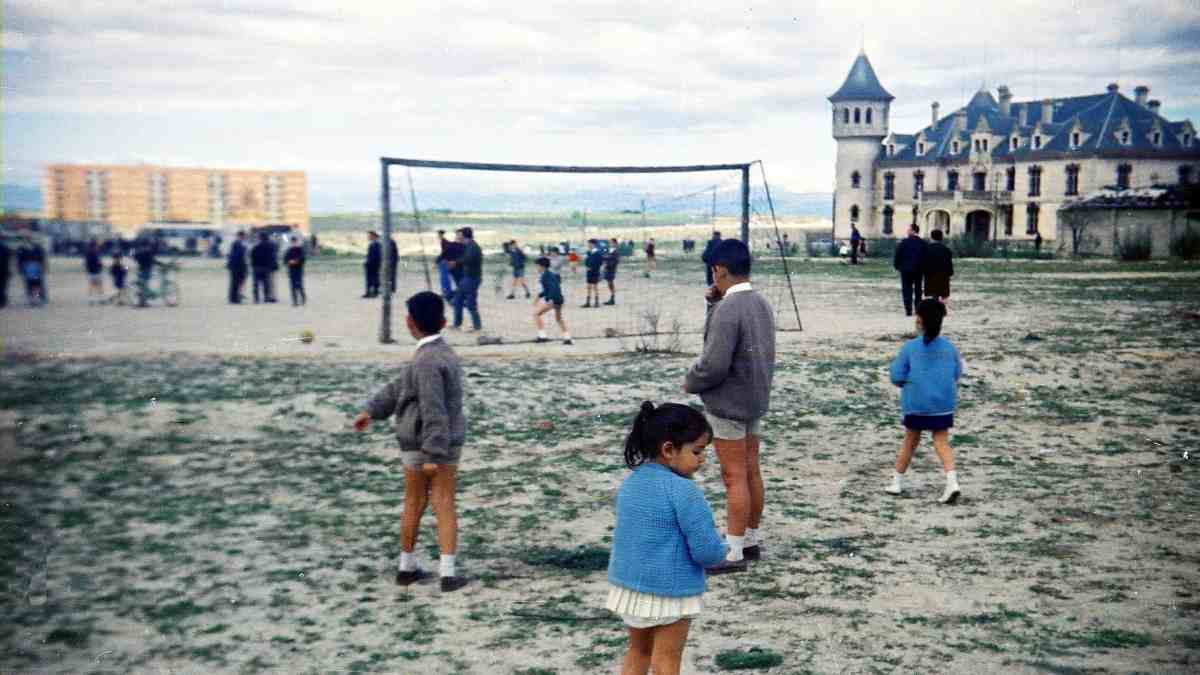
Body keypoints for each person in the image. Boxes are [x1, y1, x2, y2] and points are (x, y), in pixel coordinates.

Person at [355, 291, 469, 592]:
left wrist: (371, 409)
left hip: (418, 443)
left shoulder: (422, 359)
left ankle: (406, 567)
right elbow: (434, 408)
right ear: (444, 322)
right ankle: (447, 574)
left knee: (413, 503)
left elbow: (400, 388)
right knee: (443, 504)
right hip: (437, 445)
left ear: (409, 323)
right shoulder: (440, 356)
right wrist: (434, 452)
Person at [606, 402, 726, 675]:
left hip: (630, 587)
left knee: (638, 652)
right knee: (666, 662)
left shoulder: (632, 483)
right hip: (670, 591)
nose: (702, 459)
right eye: (697, 451)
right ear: (669, 449)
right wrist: (724, 550)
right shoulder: (684, 492)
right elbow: (706, 552)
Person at [683, 238, 776, 573]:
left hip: (728, 405)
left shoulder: (728, 309)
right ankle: (748, 538)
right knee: (751, 471)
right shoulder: (761, 303)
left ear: (719, 269)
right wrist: (713, 304)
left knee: (732, 475)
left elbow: (713, 363)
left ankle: (733, 550)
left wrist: (691, 382)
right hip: (754, 400)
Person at [887, 298, 963, 504]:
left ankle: (896, 481)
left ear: (919, 320)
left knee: (910, 441)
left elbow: (896, 376)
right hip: (943, 404)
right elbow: (957, 373)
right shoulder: (950, 348)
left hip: (916, 403)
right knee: (941, 441)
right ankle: (952, 481)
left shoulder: (910, 348)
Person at [533, 256, 572, 345]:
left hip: (554, 299)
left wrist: (550, 299)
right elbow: (549, 289)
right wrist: (539, 296)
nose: (536, 268)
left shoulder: (546, 275)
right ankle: (567, 338)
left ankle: (542, 336)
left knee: (536, 314)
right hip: (559, 298)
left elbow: (552, 288)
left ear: (542, 266)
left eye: (537, 266)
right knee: (558, 318)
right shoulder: (550, 274)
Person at [449, 227, 482, 332]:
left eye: (459, 234)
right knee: (458, 300)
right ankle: (457, 324)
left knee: (470, 303)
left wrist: (455, 262)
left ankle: (477, 326)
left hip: (472, 278)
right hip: (466, 278)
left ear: (464, 235)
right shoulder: (467, 246)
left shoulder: (473, 247)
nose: (457, 236)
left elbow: (468, 259)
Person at [893, 224, 926, 316]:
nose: (907, 231)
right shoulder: (923, 243)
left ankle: (908, 310)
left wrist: (897, 266)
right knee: (918, 290)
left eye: (909, 230)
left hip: (905, 270)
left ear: (913, 231)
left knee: (906, 290)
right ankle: (918, 309)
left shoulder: (903, 242)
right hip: (919, 270)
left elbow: (898, 255)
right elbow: (926, 257)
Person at [921, 229, 954, 305]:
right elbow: (949, 263)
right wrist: (950, 273)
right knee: (944, 295)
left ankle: (934, 309)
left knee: (933, 294)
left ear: (931, 237)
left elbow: (924, 263)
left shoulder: (926, 249)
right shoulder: (946, 250)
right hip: (943, 275)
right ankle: (943, 309)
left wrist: (923, 272)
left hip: (930, 275)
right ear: (941, 238)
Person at [250, 232, 278, 304]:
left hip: (257, 267)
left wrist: (253, 265)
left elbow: (252, 256)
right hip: (266, 267)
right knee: (266, 283)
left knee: (256, 284)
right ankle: (266, 297)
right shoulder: (271, 246)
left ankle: (256, 299)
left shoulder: (256, 246)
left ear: (260, 238)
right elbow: (272, 257)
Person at [133, 238, 156, 308]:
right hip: (147, 270)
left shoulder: (139, 251)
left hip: (140, 269)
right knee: (144, 286)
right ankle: (143, 302)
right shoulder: (148, 251)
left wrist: (138, 261)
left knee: (142, 286)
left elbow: (135, 257)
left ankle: (141, 301)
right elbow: (152, 260)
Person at [227, 231, 248, 304]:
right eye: (244, 236)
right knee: (236, 283)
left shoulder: (237, 244)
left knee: (236, 283)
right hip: (237, 267)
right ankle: (234, 298)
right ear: (240, 236)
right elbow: (237, 257)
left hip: (236, 266)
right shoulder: (237, 244)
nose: (245, 237)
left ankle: (234, 298)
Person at [285, 236, 307, 306]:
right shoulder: (289, 250)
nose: (293, 243)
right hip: (291, 271)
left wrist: (295, 261)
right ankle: (295, 301)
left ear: (297, 242)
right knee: (292, 286)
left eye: (294, 242)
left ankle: (303, 298)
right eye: (292, 242)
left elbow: (303, 258)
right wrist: (289, 262)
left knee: (299, 285)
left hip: (298, 270)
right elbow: (285, 259)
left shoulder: (300, 249)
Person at [582, 239, 604, 308]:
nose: (588, 245)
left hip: (595, 271)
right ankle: (588, 302)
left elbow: (600, 263)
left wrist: (592, 268)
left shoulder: (598, 253)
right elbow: (586, 261)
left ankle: (596, 302)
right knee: (588, 287)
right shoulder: (589, 252)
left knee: (595, 287)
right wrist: (587, 266)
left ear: (593, 244)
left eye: (589, 244)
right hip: (589, 272)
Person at [435, 230, 455, 299]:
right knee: (445, 277)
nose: (438, 236)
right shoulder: (445, 241)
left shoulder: (444, 241)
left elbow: (444, 251)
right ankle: (447, 292)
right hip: (447, 260)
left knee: (444, 277)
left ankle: (446, 292)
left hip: (445, 261)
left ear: (441, 235)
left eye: (438, 234)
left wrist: (438, 259)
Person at [84, 239, 104, 303]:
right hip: (96, 271)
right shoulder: (95, 252)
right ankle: (100, 299)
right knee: (99, 285)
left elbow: (86, 263)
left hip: (90, 271)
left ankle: (91, 299)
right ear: (94, 245)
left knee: (92, 285)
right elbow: (97, 262)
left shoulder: (88, 252)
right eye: (97, 245)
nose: (98, 246)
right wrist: (100, 265)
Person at [363, 231, 382, 298]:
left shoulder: (377, 244)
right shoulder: (373, 244)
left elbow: (377, 256)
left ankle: (373, 293)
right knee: (371, 279)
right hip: (371, 264)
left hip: (373, 265)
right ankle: (370, 292)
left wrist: (370, 262)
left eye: (370, 235)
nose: (368, 237)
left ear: (374, 236)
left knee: (373, 279)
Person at [602, 237, 621, 305]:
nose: (610, 244)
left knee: (610, 283)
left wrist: (607, 262)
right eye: (610, 242)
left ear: (615, 243)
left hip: (611, 269)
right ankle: (612, 298)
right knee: (609, 283)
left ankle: (612, 298)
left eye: (611, 242)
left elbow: (615, 261)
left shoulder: (615, 251)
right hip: (607, 268)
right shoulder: (608, 250)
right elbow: (604, 256)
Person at [0, 236, 11, 309]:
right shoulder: (5, 248)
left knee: (3, 286)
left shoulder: (5, 248)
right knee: (3, 287)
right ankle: (3, 301)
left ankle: (3, 300)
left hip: (4, 271)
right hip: (4, 271)